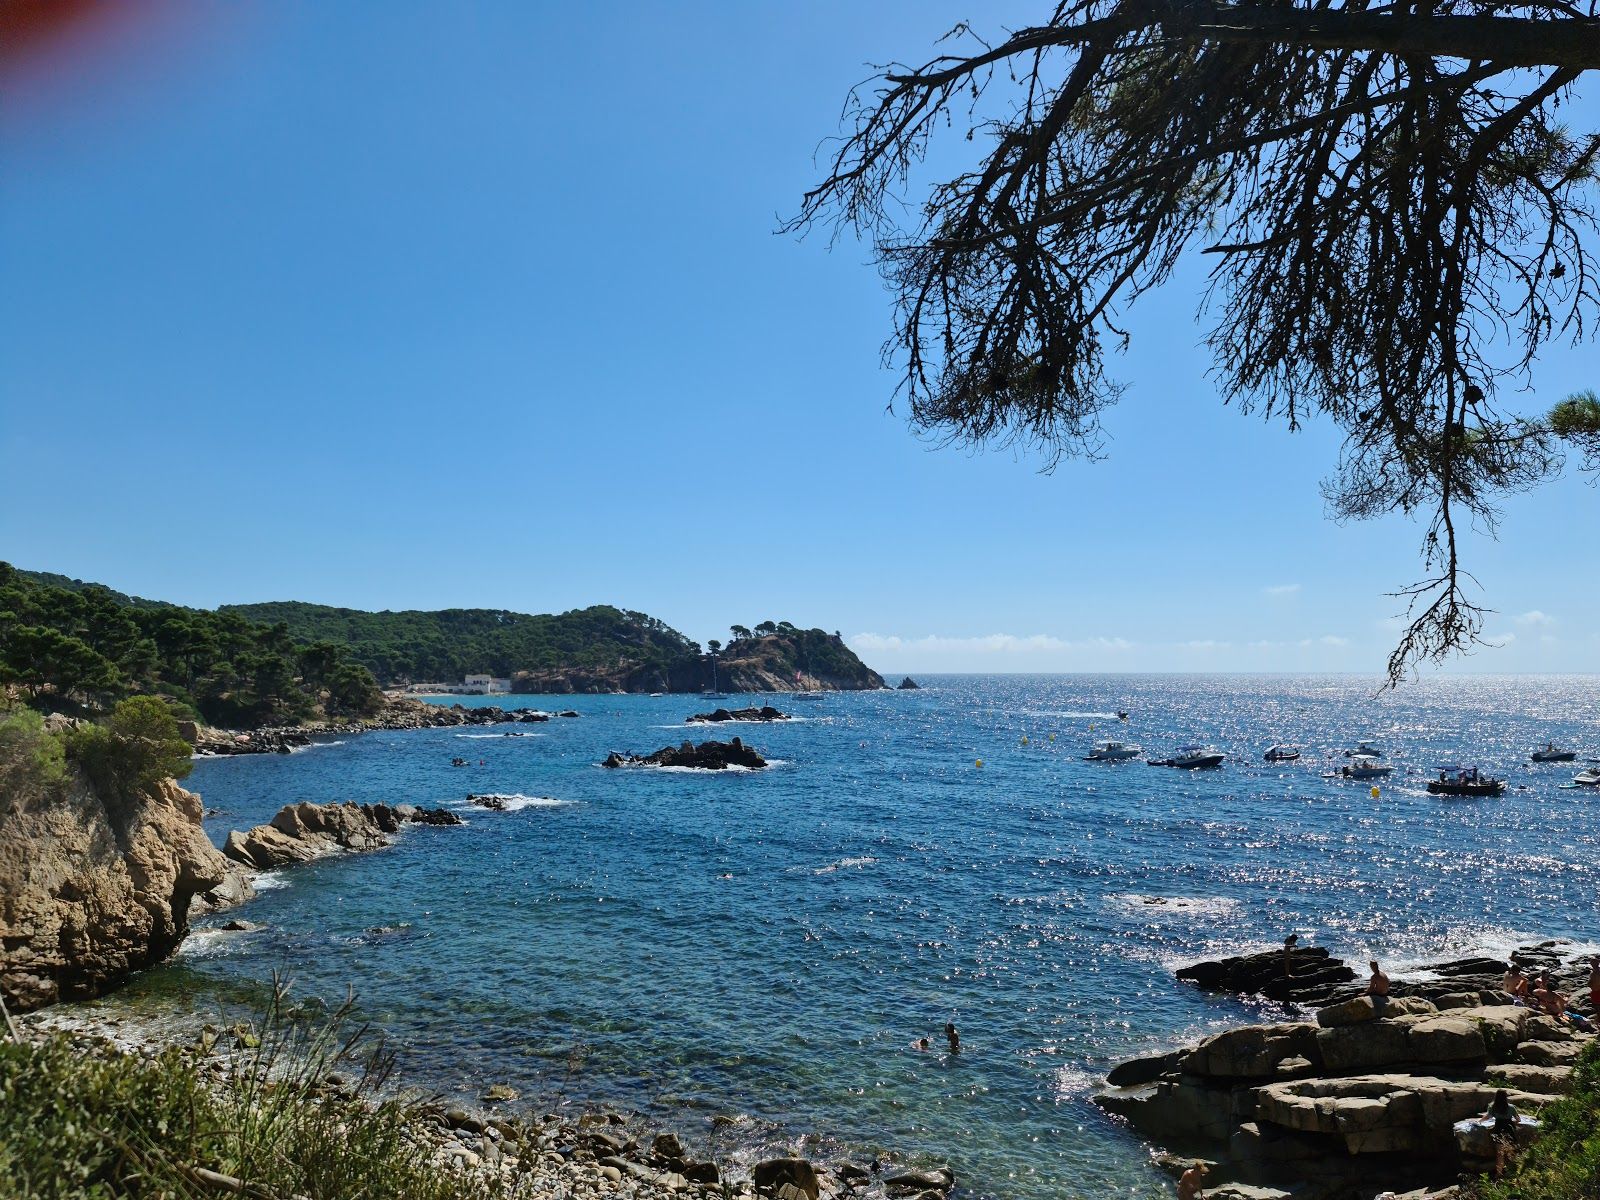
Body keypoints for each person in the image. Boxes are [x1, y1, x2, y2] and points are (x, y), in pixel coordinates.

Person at [1489, 1089, 1519, 1178]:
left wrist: (1479, 1120)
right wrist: (1513, 1122)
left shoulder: (1493, 1107)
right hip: (1509, 1130)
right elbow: (1518, 1119)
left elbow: (1488, 1116)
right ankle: (1513, 1172)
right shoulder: (1511, 1107)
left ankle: (1498, 1174)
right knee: (1511, 1153)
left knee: (1500, 1154)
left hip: (1498, 1130)